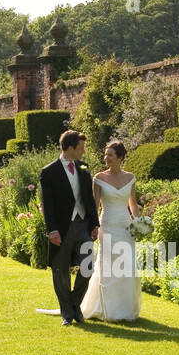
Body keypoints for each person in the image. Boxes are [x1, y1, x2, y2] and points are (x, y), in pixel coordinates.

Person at [39, 130, 100, 326]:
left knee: (87, 266)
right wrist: (52, 230)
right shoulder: (49, 172)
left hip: (83, 225)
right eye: (81, 147)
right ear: (70, 148)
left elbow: (89, 199)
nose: (83, 151)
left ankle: (74, 303)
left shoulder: (83, 167)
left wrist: (94, 224)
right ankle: (68, 313)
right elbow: (47, 204)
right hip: (62, 228)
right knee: (60, 270)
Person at [79, 139, 142, 322]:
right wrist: (93, 227)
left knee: (126, 267)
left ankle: (125, 310)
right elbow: (94, 205)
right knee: (107, 267)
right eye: (105, 154)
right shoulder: (99, 178)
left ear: (120, 157)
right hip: (106, 225)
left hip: (125, 227)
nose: (106, 158)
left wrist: (137, 222)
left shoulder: (130, 178)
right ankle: (107, 310)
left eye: (110, 155)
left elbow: (133, 203)